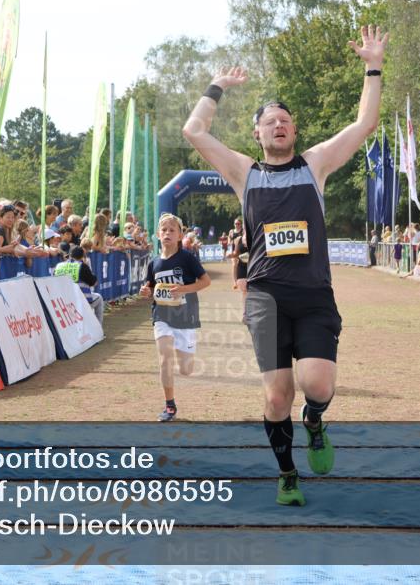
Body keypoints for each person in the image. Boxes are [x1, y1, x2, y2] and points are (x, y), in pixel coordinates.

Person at [181, 25, 387, 505]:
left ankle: (315, 420)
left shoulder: (314, 165)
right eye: (270, 121)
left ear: (294, 132)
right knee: (277, 396)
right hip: (266, 299)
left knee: (315, 383)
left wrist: (372, 67)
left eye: (285, 121)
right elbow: (194, 131)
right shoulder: (243, 172)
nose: (278, 125)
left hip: (313, 297)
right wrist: (216, 86)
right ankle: (287, 472)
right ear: (256, 133)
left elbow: (363, 125)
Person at [139, 214, 211, 422]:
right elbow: (150, 288)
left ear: (180, 235)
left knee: (186, 370)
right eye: (164, 230)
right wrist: (145, 291)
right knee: (165, 358)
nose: (167, 233)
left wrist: (184, 289)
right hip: (161, 315)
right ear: (157, 235)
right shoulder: (153, 264)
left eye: (172, 230)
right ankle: (169, 406)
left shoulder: (187, 258)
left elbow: (205, 281)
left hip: (185, 317)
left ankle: (186, 359)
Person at [54, 245, 104, 324]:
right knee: (99, 298)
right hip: (80, 301)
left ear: (69, 255)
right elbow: (94, 283)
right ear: (82, 256)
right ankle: (98, 328)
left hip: (61, 301)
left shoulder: (59, 266)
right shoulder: (82, 266)